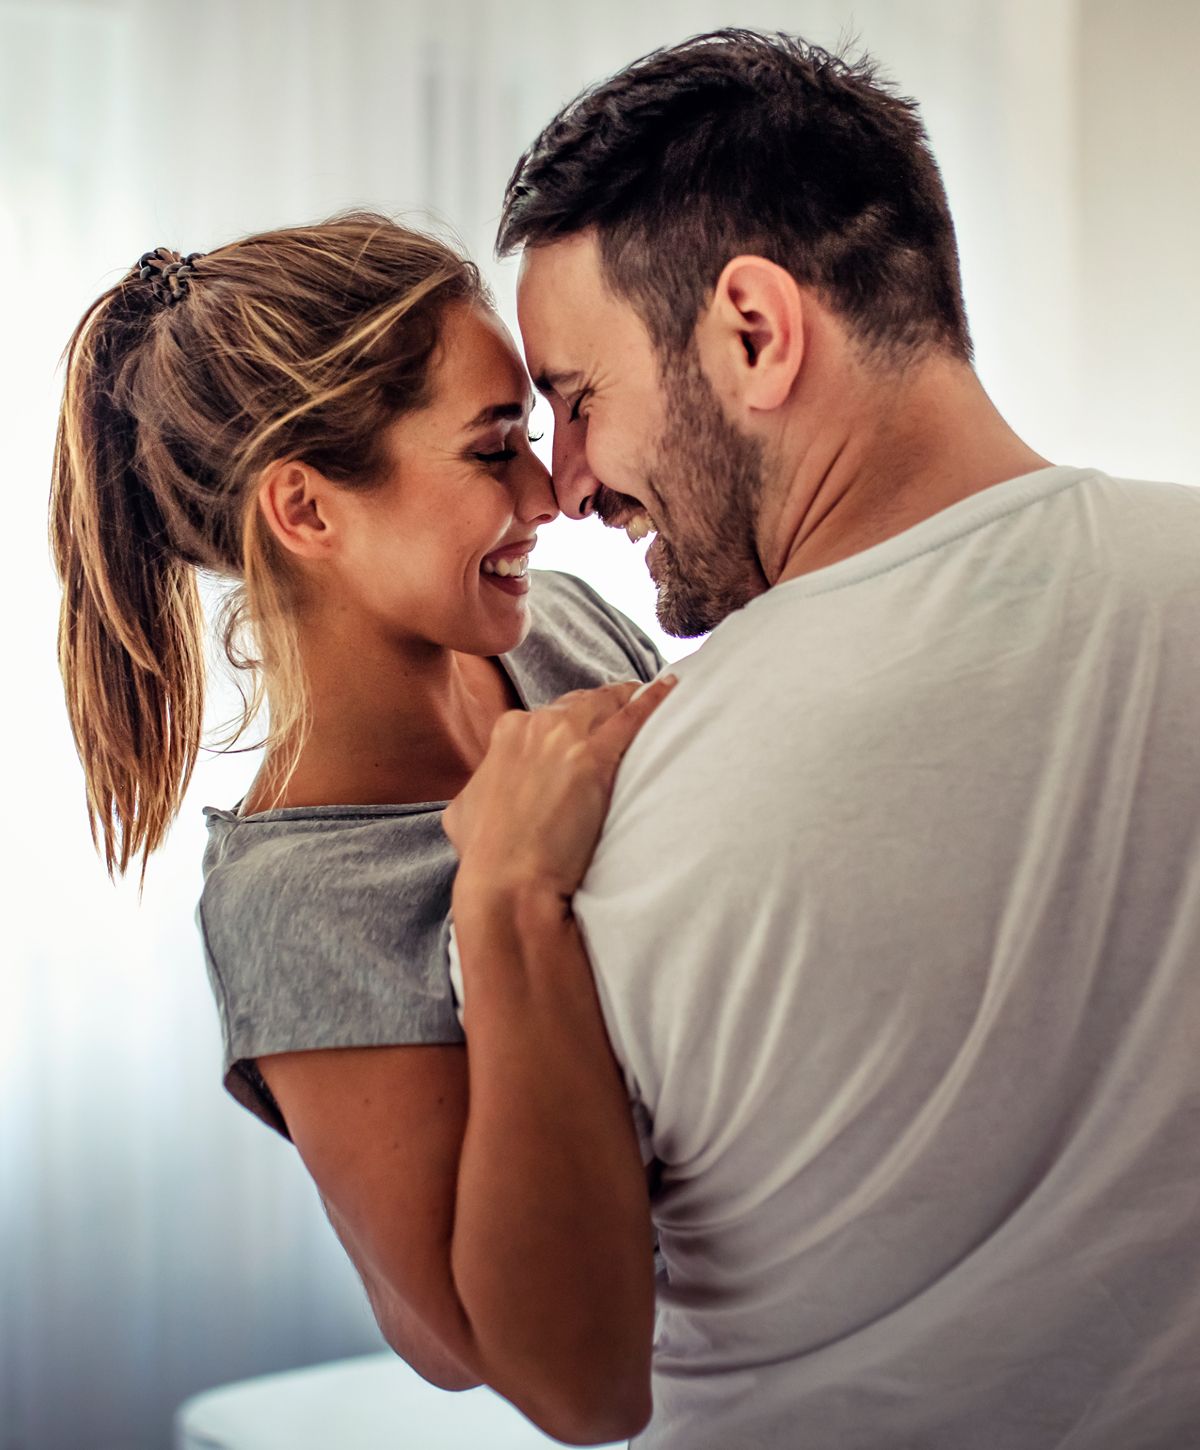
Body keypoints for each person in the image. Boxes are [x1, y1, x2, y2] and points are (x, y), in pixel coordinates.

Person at [448, 27, 1200, 1449]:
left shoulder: (622, 795)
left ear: (754, 329)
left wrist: (499, 895)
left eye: (579, 398)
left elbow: (565, 1376)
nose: (565, 483)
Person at [49, 212, 676, 1445]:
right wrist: (502, 892)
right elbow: (541, 1376)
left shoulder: (558, 632)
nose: (550, 491)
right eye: (495, 448)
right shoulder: (300, 899)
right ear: (308, 510)